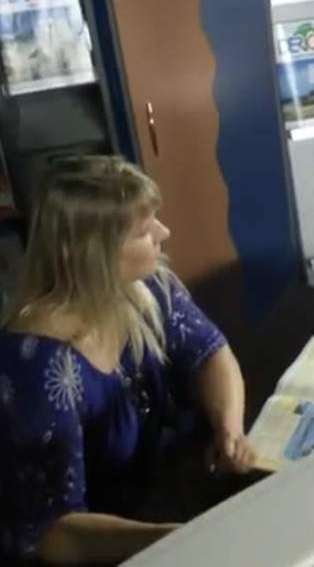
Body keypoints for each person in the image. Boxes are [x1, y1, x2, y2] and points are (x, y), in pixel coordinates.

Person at [0, 156, 256, 565]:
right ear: (91, 253)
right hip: (116, 541)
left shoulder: (147, 286)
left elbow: (210, 352)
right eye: (142, 231)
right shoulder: (35, 369)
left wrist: (229, 428)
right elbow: (54, 533)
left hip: (169, 491)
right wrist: (171, 539)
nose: (163, 232)